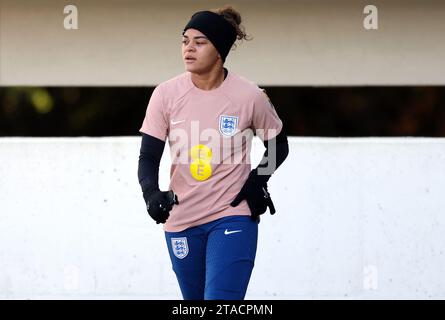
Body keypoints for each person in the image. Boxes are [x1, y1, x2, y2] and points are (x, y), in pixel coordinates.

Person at [137, 5, 289, 300]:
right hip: (182, 219)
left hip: (232, 216)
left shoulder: (250, 96)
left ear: (219, 50)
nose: (188, 48)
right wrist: (151, 193)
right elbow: (148, 157)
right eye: (185, 41)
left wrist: (259, 179)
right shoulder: (165, 94)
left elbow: (277, 145)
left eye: (200, 42)